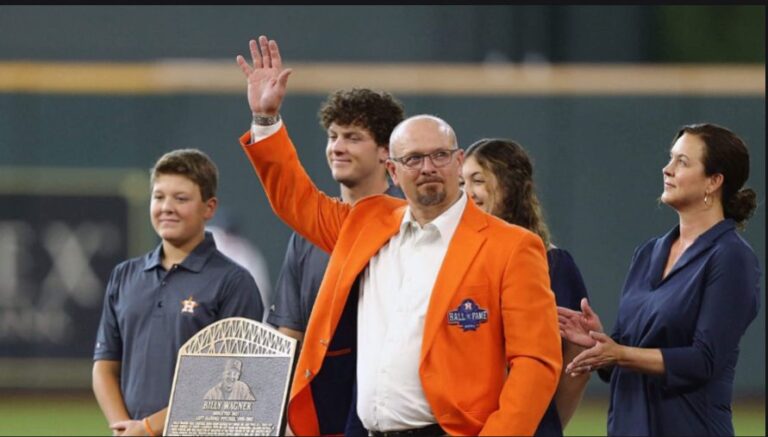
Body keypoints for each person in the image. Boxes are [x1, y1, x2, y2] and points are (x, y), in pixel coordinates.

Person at [235, 35, 561, 436]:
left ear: (459, 162)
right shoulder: (368, 221)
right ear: (393, 171)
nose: (428, 167)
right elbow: (295, 201)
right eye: (413, 159)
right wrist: (266, 120)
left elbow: (536, 363)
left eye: (440, 155)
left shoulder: (511, 246)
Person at [558, 123, 760, 436]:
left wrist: (621, 353)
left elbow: (704, 360)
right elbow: (622, 355)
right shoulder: (648, 253)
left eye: (682, 162)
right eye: (670, 158)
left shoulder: (731, 256)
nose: (667, 169)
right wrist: (600, 342)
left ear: (714, 182)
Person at [92, 149, 264, 436]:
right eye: (159, 197)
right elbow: (105, 366)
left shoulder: (234, 282)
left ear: (209, 208)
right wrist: (125, 428)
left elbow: (231, 381)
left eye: (181, 198)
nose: (166, 207)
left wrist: (148, 428)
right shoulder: (125, 276)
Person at [461, 138, 590, 435]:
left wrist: (544, 427)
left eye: (477, 180)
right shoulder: (450, 260)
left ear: (511, 186)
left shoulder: (552, 263)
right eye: (461, 182)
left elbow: (577, 361)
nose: (466, 193)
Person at [267, 87, 405, 344]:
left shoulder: (410, 224)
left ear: (385, 150)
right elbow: (289, 333)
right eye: (333, 136)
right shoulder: (307, 234)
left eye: (353, 138)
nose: (337, 148)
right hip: (323, 383)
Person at [206, 207, 272, 320]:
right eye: (226, 232)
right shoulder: (206, 239)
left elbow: (261, 293)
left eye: (231, 233)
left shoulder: (247, 254)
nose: (228, 237)